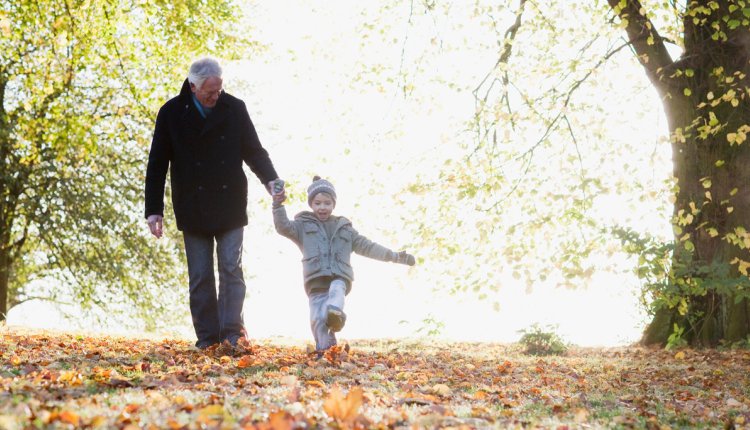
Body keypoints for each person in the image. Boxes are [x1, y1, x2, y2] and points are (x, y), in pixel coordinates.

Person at [144, 57, 284, 349]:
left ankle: (232, 333)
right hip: (192, 204)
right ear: (193, 86)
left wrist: (270, 180)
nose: (215, 96)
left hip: (230, 201)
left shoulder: (235, 108)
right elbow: (157, 163)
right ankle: (207, 338)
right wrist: (154, 210)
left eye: (219, 89)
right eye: (210, 91)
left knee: (232, 268)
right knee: (200, 275)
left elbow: (254, 151)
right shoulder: (170, 113)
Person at [272, 176, 415, 353]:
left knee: (336, 290)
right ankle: (326, 351)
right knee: (317, 319)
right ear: (311, 204)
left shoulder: (344, 228)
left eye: (327, 203)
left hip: (339, 276)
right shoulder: (302, 226)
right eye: (317, 203)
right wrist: (277, 205)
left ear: (334, 204)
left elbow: (368, 247)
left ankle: (335, 313)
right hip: (315, 280)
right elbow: (283, 227)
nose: (322, 207)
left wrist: (394, 256)